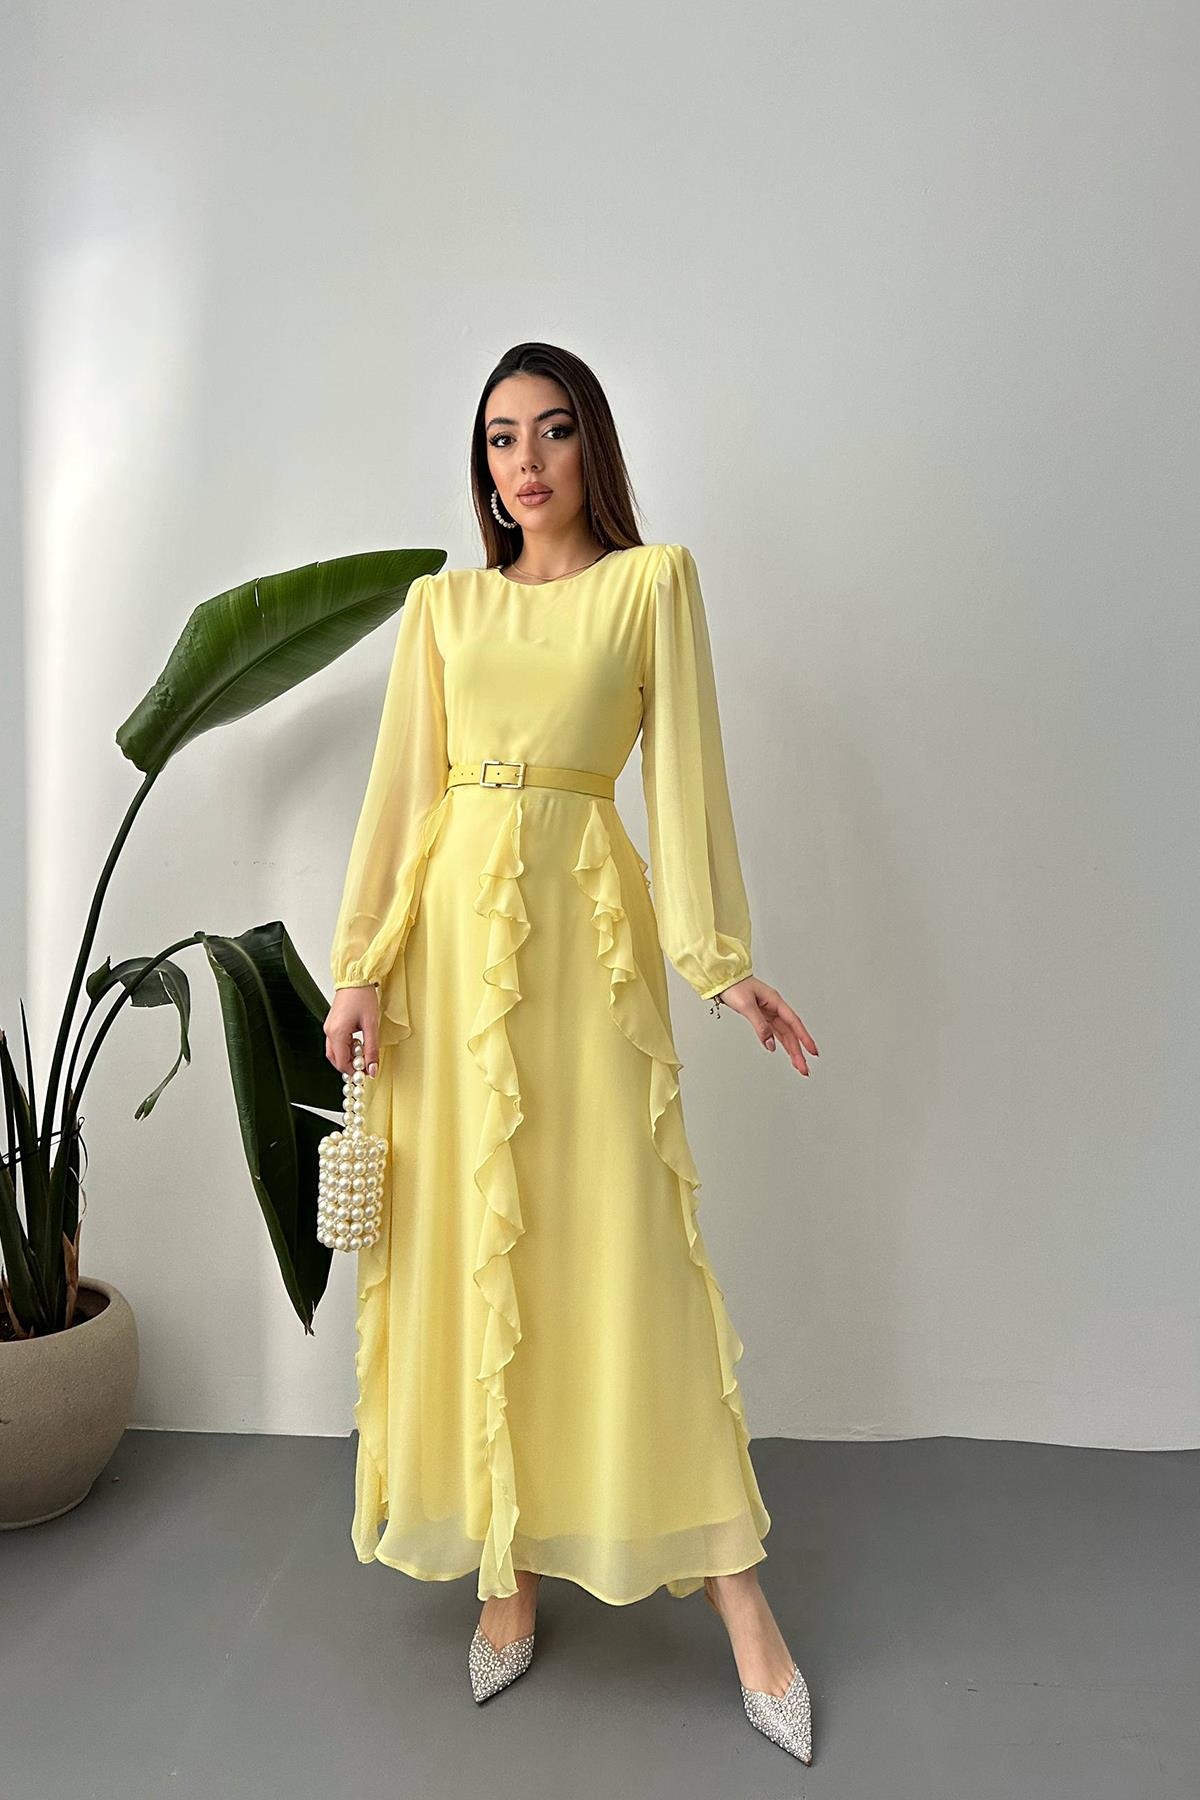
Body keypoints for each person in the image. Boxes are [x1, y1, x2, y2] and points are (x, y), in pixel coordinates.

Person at [325, 341, 819, 1764]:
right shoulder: (443, 606)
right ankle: (508, 1565)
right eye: (500, 438)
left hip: (586, 954)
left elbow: (689, 786)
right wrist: (360, 965)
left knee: (623, 1251)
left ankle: (743, 1608)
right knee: (477, 1251)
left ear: (591, 444)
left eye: (551, 432)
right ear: (481, 463)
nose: (525, 463)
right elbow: (401, 798)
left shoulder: (651, 587)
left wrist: (721, 964)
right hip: (449, 964)